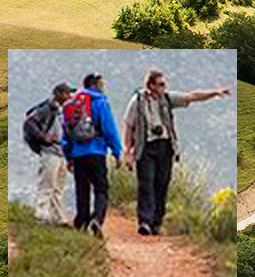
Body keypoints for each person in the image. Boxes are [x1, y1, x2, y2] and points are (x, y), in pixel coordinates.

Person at [123, 69, 231, 236]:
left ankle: (156, 222)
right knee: (146, 184)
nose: (164, 88)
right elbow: (129, 127)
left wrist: (215, 92)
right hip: (145, 147)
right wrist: (128, 152)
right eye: (160, 84)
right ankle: (144, 221)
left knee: (162, 184)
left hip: (165, 147)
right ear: (150, 85)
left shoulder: (167, 99)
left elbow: (191, 96)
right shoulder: (137, 102)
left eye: (164, 84)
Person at [63, 73, 123, 237]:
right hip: (96, 152)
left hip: (78, 154)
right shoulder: (100, 102)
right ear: (95, 85)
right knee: (101, 188)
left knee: (82, 190)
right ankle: (97, 218)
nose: (104, 86)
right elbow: (109, 129)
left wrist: (68, 157)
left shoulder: (72, 104)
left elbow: (66, 133)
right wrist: (117, 152)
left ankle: (81, 223)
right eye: (102, 83)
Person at [23, 81, 73, 226]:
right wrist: (43, 137)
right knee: (47, 184)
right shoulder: (48, 108)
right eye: (67, 93)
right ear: (59, 94)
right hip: (50, 152)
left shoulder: (60, 110)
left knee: (57, 186)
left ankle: (57, 217)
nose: (69, 96)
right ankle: (41, 215)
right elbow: (29, 122)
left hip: (60, 152)